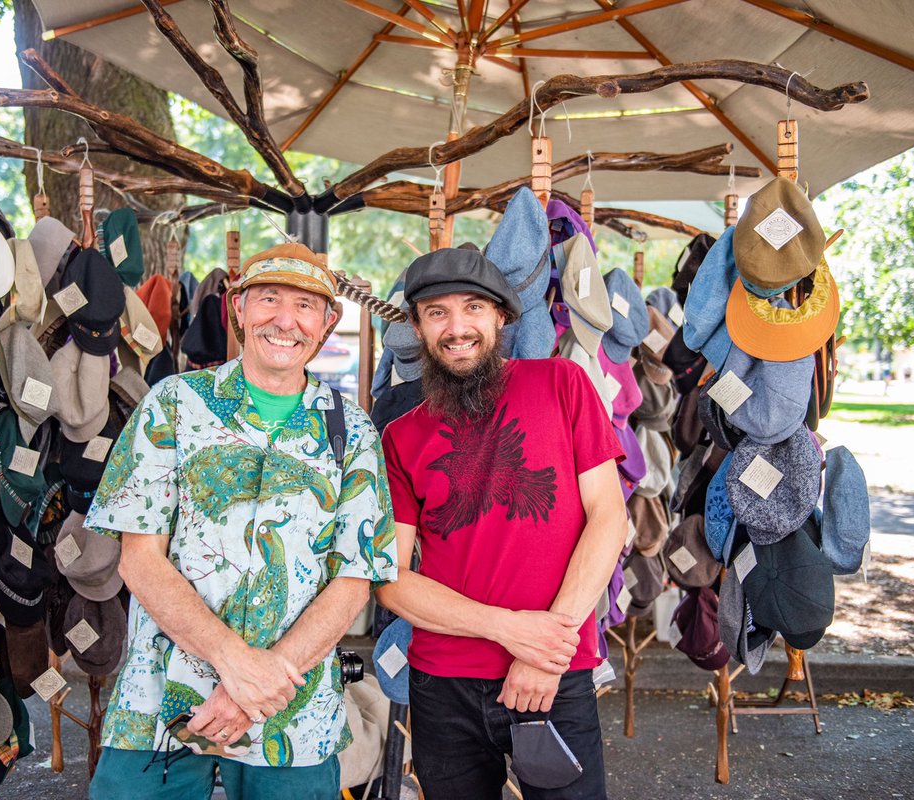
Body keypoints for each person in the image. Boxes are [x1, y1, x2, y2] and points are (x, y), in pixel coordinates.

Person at [85, 242, 398, 800]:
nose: (285, 320)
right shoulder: (172, 406)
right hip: (161, 701)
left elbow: (354, 581)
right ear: (238, 309)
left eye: (306, 306)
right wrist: (234, 663)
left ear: (328, 323)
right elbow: (139, 559)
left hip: (292, 715)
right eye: (269, 299)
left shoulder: (351, 431)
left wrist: (255, 686)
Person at [376, 247, 627, 800]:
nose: (457, 327)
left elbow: (609, 518)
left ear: (501, 317)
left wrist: (545, 649)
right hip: (444, 684)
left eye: (473, 308)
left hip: (554, 675)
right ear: (417, 327)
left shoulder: (563, 384)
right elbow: (389, 577)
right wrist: (512, 631)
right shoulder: (400, 436)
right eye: (437, 312)